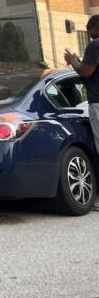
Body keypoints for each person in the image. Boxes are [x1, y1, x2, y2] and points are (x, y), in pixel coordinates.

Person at [65, 14, 99, 210]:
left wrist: (72, 60)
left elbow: (86, 72)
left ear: (96, 26)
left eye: (88, 27)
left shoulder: (95, 45)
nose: (87, 31)